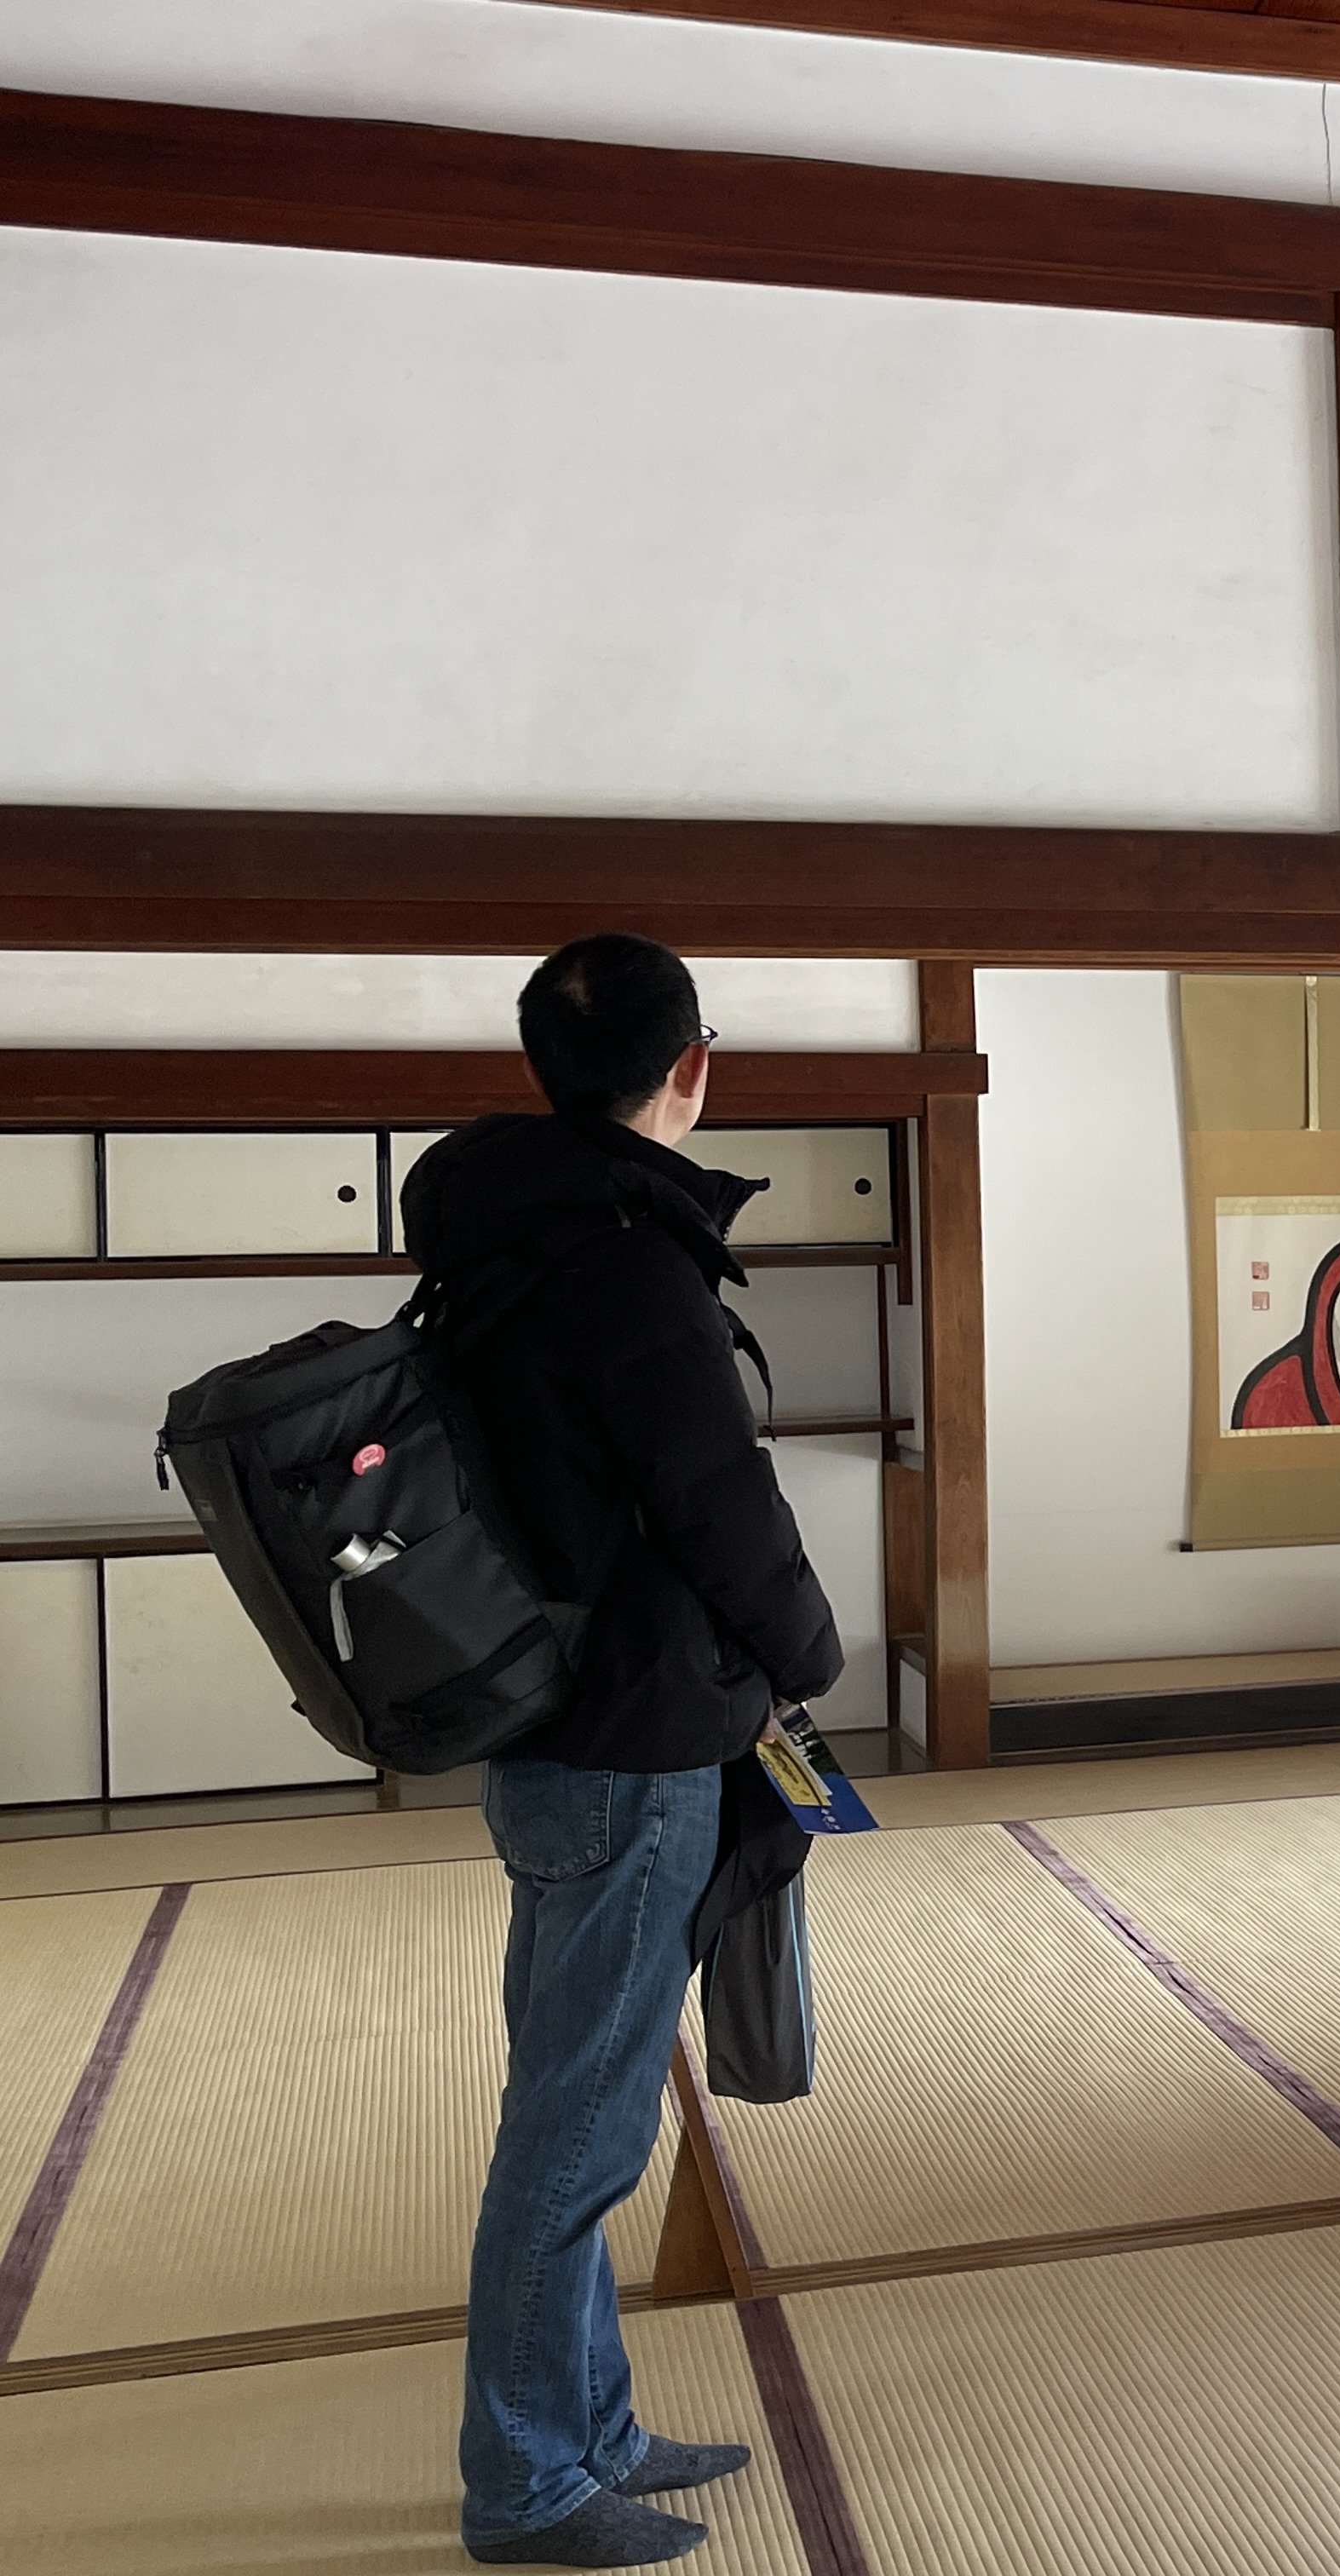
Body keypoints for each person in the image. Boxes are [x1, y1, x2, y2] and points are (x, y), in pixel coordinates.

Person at [403, 934, 843, 2568]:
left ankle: (587, 2423)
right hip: (633, 1737)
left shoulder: (496, 1240)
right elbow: (717, 1500)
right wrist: (811, 1653)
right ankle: (526, 2478)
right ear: (692, 1066)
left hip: (549, 1725)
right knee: (577, 2133)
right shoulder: (625, 1258)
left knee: (570, 2100)